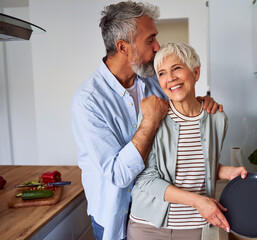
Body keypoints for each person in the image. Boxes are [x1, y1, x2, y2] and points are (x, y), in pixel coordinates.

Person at [71, 2, 221, 240]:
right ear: (123, 47)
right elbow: (119, 175)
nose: (157, 47)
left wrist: (199, 103)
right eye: (149, 40)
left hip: (159, 212)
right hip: (115, 216)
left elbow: (179, 125)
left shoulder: (153, 81)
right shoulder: (88, 101)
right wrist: (149, 121)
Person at [127, 42, 248, 240]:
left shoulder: (217, 119)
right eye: (163, 73)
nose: (171, 78)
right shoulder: (153, 116)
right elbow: (145, 180)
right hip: (148, 227)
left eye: (177, 68)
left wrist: (228, 172)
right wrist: (198, 201)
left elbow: (198, 165)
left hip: (195, 226)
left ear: (196, 72)